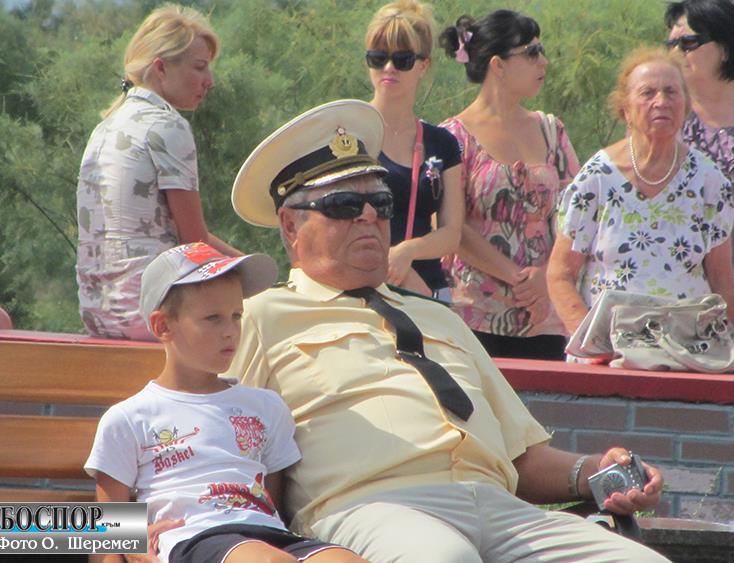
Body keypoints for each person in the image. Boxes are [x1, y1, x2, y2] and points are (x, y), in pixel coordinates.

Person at [223, 99, 667, 562]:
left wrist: (594, 469)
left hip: (500, 508)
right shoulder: (259, 316)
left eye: (381, 203)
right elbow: (212, 444)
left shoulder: (440, 317)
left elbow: (521, 459)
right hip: (371, 506)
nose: (369, 216)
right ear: (290, 225)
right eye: (343, 205)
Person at [85, 242, 366, 563]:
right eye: (213, 318)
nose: (231, 331)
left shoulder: (266, 407)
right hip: (194, 538)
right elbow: (105, 543)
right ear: (163, 326)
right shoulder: (128, 418)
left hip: (270, 535)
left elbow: (274, 505)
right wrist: (130, 543)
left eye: (236, 316)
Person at [76, 5, 242, 341]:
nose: (209, 81)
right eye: (200, 67)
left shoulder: (105, 127)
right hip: (149, 314)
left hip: (98, 315)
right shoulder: (167, 125)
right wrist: (253, 273)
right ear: (161, 68)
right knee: (264, 316)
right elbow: (194, 242)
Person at [547, 47, 734, 337]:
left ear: (685, 105)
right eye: (648, 93)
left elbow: (722, 279)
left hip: (687, 349)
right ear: (625, 109)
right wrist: (590, 341)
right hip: (609, 349)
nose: (661, 101)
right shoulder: (597, 177)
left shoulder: (709, 182)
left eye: (671, 92)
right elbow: (561, 273)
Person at [437, 10, 580, 360]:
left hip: (545, 318)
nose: (543, 61)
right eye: (532, 52)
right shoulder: (452, 138)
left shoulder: (551, 131)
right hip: (472, 316)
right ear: (498, 65)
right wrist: (520, 279)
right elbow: (451, 228)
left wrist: (545, 277)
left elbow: (578, 217)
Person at [365, 0, 463, 298]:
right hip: (365, 287)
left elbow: (451, 234)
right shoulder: (348, 134)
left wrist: (407, 251)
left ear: (423, 65)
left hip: (428, 291)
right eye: (378, 58)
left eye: (403, 59)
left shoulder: (442, 143)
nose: (388, 68)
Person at [665, 0, 734, 185]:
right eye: (671, 44)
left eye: (688, 43)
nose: (676, 52)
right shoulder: (660, 113)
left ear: (725, 49)